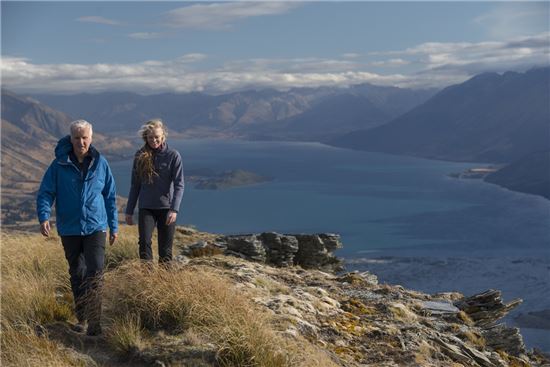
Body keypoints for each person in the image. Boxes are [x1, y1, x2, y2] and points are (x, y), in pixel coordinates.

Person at [37, 120, 118, 336]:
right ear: (70, 138)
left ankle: (95, 322)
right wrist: (44, 215)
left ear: (91, 138)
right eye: (77, 138)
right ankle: (81, 318)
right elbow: (46, 192)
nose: (81, 142)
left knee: (96, 272)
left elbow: (110, 196)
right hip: (70, 229)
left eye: (85, 138)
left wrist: (114, 225)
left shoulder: (101, 163)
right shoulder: (59, 164)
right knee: (78, 274)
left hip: (96, 227)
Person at [125, 119, 184, 263]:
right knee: (144, 243)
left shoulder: (173, 156)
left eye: (157, 137)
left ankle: (164, 282)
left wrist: (174, 209)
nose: (154, 140)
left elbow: (179, 184)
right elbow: (135, 185)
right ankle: (147, 279)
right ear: (146, 137)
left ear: (163, 136)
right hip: (146, 207)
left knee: (165, 250)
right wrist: (129, 210)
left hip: (166, 208)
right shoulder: (140, 156)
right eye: (150, 137)